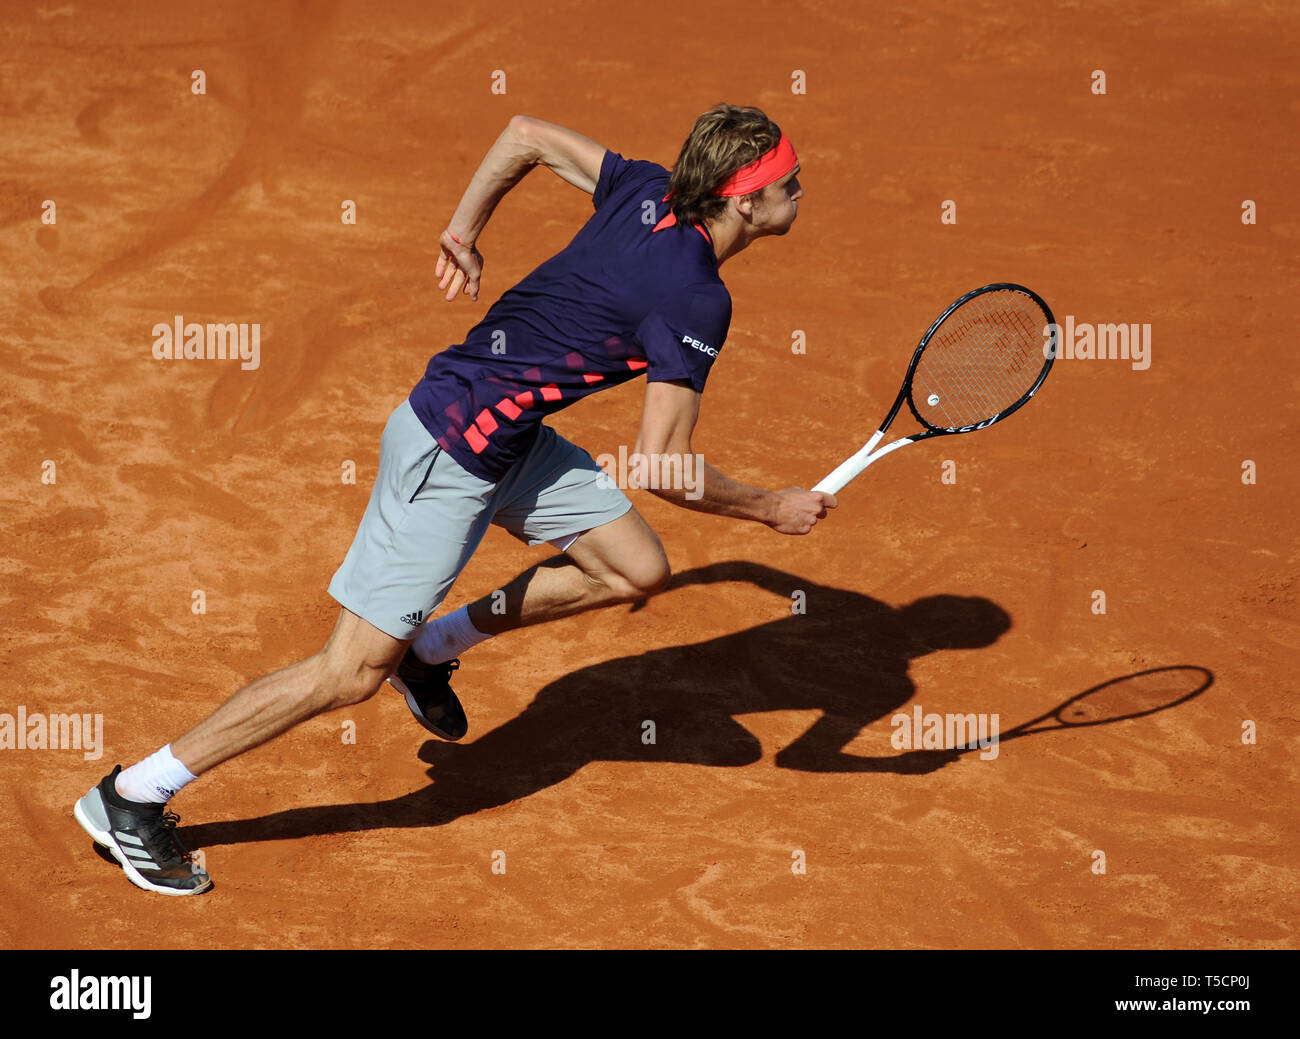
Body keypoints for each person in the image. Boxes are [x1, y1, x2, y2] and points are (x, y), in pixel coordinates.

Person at [74, 103, 837, 895]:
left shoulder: (645, 188)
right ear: (743, 201)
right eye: (791, 181)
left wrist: (463, 231)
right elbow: (661, 464)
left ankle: (432, 650)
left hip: (509, 436)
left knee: (635, 567)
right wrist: (767, 507)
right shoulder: (694, 299)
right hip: (448, 451)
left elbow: (526, 134)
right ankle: (132, 796)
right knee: (347, 673)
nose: (801, 191)